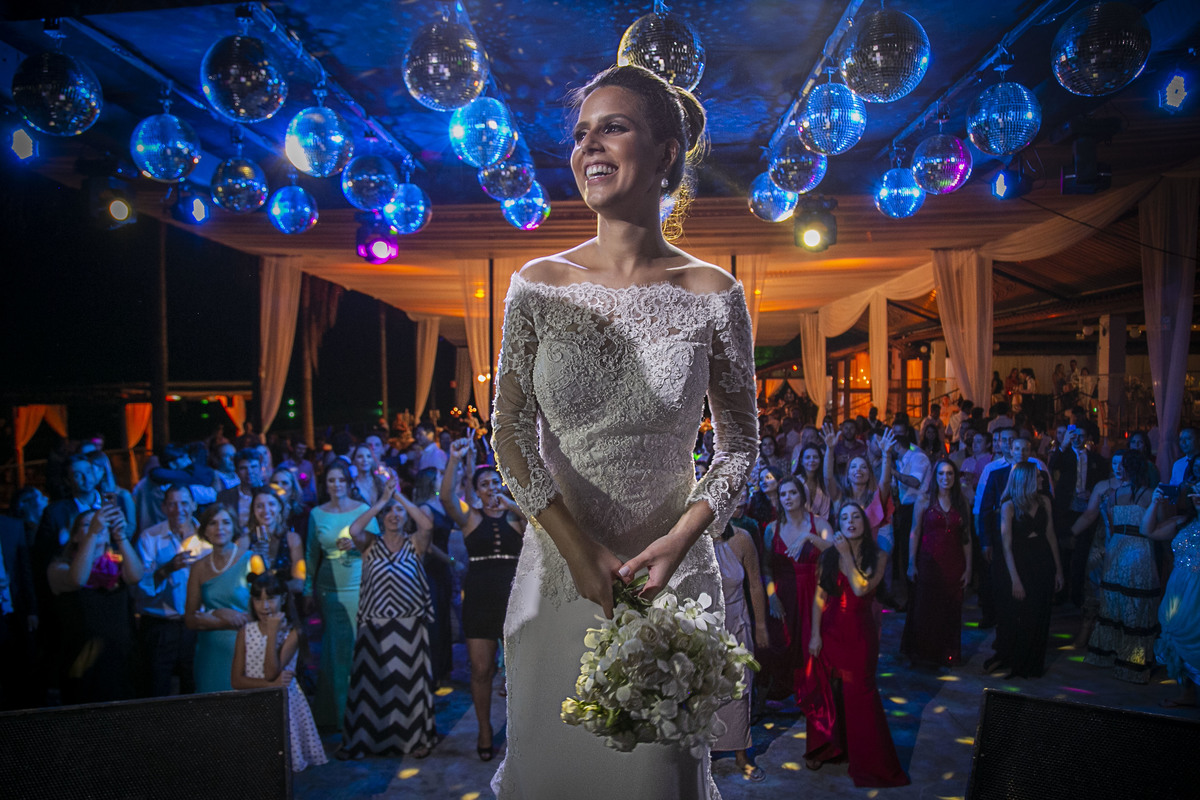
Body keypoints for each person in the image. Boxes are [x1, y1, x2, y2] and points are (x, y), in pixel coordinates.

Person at [489, 65, 757, 798]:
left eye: (613, 127)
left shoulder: (714, 293)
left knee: (653, 779)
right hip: (560, 572)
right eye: (582, 134)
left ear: (666, 152)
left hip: (668, 584)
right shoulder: (537, 283)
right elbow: (507, 432)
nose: (589, 146)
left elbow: (740, 447)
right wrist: (576, 551)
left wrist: (683, 540)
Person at [803, 503, 909, 787]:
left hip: (860, 634)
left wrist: (847, 556)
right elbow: (819, 597)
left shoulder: (879, 556)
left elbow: (861, 587)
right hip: (831, 630)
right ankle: (827, 749)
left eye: (855, 517)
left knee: (860, 693)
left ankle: (870, 761)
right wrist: (815, 635)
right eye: (844, 517)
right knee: (828, 692)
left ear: (864, 522)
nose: (850, 521)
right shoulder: (828, 555)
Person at [339, 476, 437, 759]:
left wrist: (399, 497)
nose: (394, 515)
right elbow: (354, 529)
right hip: (375, 627)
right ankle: (365, 741)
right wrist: (382, 500)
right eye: (388, 512)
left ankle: (415, 740)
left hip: (410, 627)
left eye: (399, 511)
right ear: (381, 517)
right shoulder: (370, 543)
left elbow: (427, 525)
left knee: (410, 685)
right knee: (372, 685)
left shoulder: (414, 543)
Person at [441, 440, 525, 762]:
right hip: (479, 598)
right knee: (480, 669)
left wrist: (510, 504)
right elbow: (447, 498)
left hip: (513, 598)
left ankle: (520, 731)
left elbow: (539, 523)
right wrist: (454, 459)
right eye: (485, 484)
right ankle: (484, 730)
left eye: (495, 482)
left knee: (518, 671)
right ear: (476, 490)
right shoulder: (471, 517)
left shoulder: (515, 516)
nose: (491, 488)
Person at [47, 503, 142, 704]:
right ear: (75, 536)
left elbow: (136, 576)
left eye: (101, 526)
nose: (97, 528)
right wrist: (92, 534)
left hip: (118, 658)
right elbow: (77, 579)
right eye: (87, 525)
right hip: (82, 659)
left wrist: (121, 537)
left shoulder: (117, 565)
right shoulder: (60, 567)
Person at [231, 571, 326, 772]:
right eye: (258, 600)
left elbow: (270, 672)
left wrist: (272, 633)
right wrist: (270, 686)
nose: (264, 606)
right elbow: (237, 681)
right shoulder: (245, 632)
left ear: (282, 599)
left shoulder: (293, 633)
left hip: (282, 706)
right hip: (252, 705)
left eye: (270, 599)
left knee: (281, 766)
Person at [304, 460, 373, 730]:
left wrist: (357, 545)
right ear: (326, 484)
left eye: (341, 480)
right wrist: (308, 589)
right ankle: (335, 714)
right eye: (331, 480)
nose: (336, 485)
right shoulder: (316, 514)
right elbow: (311, 554)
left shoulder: (363, 509)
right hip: (329, 590)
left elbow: (377, 545)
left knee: (360, 646)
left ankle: (363, 713)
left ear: (349, 482)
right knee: (334, 650)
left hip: (359, 585)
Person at [1078, 450, 1157, 683]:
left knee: (1114, 602)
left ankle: (1108, 654)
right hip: (1139, 549)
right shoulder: (1150, 495)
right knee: (1136, 605)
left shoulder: (1113, 494)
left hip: (1116, 548)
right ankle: (1133, 661)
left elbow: (1111, 526)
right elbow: (1155, 525)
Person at [989, 463, 1064, 678]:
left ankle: (1034, 664)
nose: (1042, 480)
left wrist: (1059, 570)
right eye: (1038, 477)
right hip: (1021, 561)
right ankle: (1017, 662)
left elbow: (1051, 535)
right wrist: (1015, 579)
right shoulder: (1009, 506)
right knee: (1021, 614)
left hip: (1042, 559)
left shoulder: (1044, 501)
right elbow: (1006, 546)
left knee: (1041, 612)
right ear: (1026, 480)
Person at [762, 477, 831, 702]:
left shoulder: (819, 524)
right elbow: (766, 567)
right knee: (784, 643)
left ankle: (811, 691)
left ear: (802, 495)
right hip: (784, 593)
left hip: (814, 593)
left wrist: (809, 537)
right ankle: (786, 691)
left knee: (813, 643)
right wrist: (772, 596)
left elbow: (835, 552)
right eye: (783, 494)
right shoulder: (772, 529)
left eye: (792, 493)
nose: (788, 498)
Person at [711, 521, 769, 782]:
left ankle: (741, 753)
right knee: (706, 688)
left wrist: (761, 626)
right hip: (703, 623)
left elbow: (755, 584)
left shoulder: (743, 539)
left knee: (740, 688)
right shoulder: (694, 540)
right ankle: (706, 751)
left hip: (737, 620)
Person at [901, 459, 972, 668]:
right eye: (941, 473)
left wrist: (969, 568)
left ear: (955, 477)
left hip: (954, 562)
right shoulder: (924, 500)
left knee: (950, 609)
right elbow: (915, 532)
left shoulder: (961, 502)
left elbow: (967, 537)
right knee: (926, 608)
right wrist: (911, 563)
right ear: (935, 477)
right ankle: (924, 653)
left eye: (949, 473)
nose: (945, 478)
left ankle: (947, 653)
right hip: (929, 562)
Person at [132, 484, 200, 697]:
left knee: (194, 688)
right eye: (172, 504)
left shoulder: (208, 535)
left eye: (184, 503)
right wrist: (167, 568)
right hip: (160, 626)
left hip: (197, 625)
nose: (179, 509)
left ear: (194, 505)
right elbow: (140, 587)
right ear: (163, 507)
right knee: (156, 689)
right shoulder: (149, 537)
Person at [185, 504, 251, 693]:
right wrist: (222, 616)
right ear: (205, 530)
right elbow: (190, 619)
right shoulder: (198, 568)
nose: (219, 528)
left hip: (245, 649)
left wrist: (215, 617)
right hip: (210, 653)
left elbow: (265, 613)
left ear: (234, 527)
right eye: (213, 523)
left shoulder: (252, 560)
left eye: (226, 522)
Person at [1147, 483, 1200, 707]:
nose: (1198, 497)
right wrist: (1154, 503)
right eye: (1195, 492)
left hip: (1197, 592)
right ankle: (1187, 694)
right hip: (1178, 588)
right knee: (1174, 633)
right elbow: (1148, 531)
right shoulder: (1182, 522)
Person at [247, 486, 305, 595]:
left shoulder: (292, 539)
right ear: (253, 510)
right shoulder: (245, 541)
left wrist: (273, 591)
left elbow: (299, 583)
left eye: (271, 504)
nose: (266, 510)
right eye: (260, 506)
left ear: (279, 507)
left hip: (286, 600)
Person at [793, 443, 831, 520]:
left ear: (820, 460)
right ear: (801, 461)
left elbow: (825, 513)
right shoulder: (795, 481)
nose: (812, 460)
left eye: (815, 457)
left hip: (819, 525)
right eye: (807, 457)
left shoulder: (824, 483)